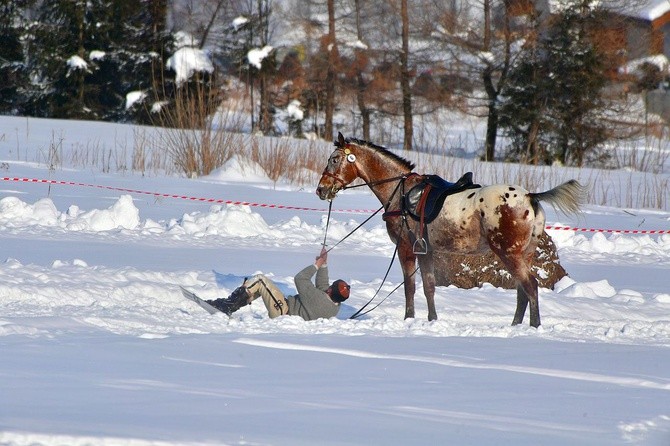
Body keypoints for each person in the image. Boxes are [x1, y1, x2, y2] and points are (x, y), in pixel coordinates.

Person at [207, 247, 350, 320]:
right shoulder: (334, 306)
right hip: (286, 311)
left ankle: (227, 306)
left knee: (260, 280)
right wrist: (324, 264)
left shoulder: (317, 299)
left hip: (283, 312)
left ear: (330, 291)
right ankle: (230, 305)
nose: (328, 287)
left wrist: (316, 265)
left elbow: (300, 279)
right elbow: (323, 285)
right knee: (258, 289)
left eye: (330, 287)